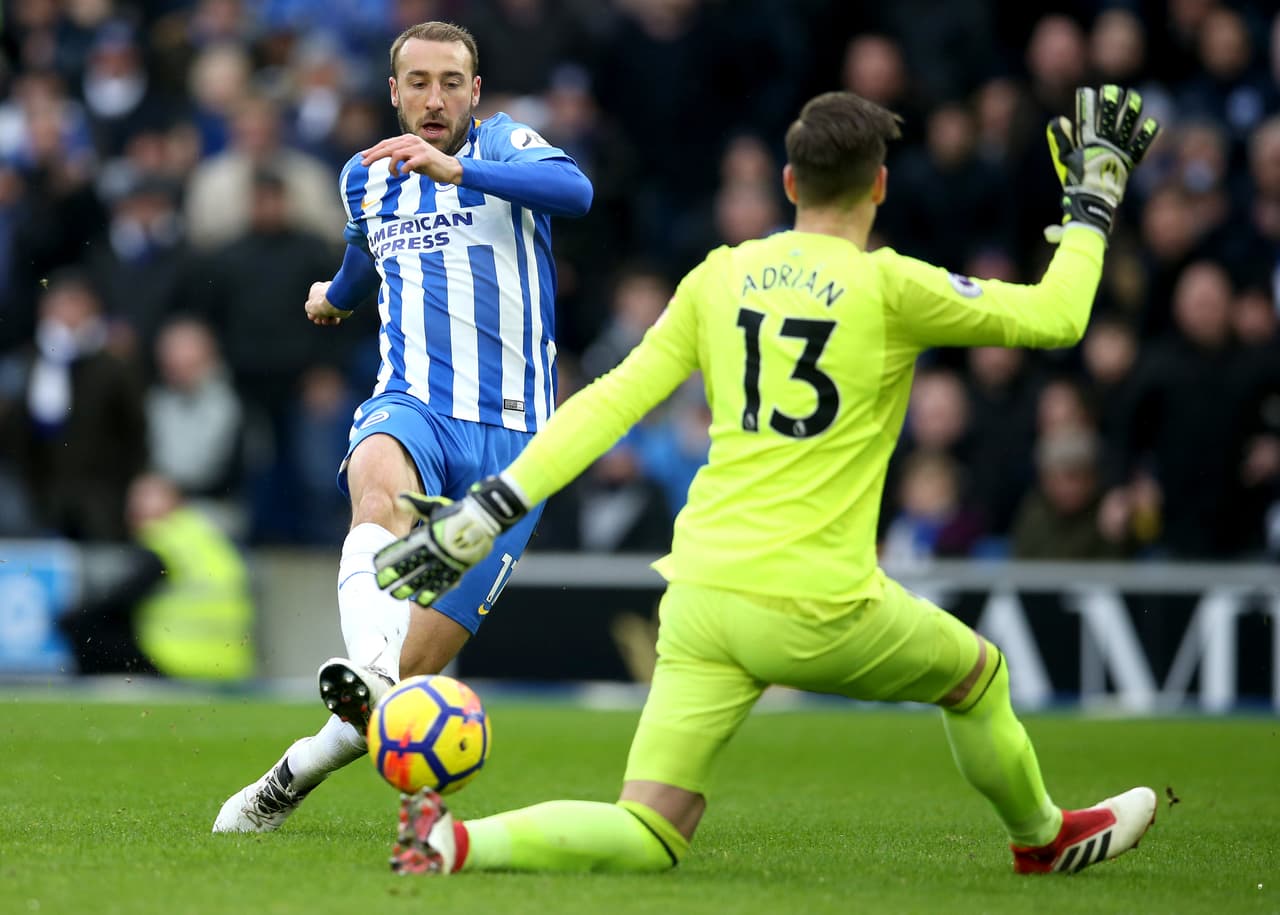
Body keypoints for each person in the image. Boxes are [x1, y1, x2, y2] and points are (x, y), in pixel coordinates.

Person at [373, 86, 1162, 877]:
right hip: (819, 602)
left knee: (649, 825)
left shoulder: (721, 275)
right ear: (879, 187)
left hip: (703, 597)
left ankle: (457, 840)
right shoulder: (892, 287)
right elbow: (1058, 317)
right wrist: (1092, 202)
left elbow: (611, 398)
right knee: (978, 674)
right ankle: (1041, 835)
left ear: (788, 184)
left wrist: (492, 504)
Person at [212, 20, 592, 832]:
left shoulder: (509, 145)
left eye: (452, 81)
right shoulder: (365, 176)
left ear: (476, 92)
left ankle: (287, 777)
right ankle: (373, 666)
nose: (434, 97)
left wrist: (461, 168)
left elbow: (580, 194)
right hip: (413, 404)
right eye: (418, 81)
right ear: (393, 91)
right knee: (376, 490)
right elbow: (363, 257)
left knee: (395, 691)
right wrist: (333, 296)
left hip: (514, 451)